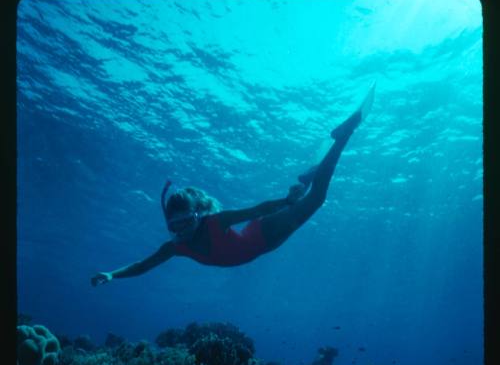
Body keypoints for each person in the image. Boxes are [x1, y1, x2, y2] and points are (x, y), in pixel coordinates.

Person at [91, 86, 374, 284]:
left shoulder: (215, 222)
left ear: (197, 215)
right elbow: (143, 266)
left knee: (315, 200)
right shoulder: (175, 247)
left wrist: (284, 203)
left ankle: (343, 135)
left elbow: (255, 209)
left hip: (263, 233)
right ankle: (309, 175)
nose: (181, 231)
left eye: (186, 223)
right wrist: (112, 275)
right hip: (258, 237)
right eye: (174, 226)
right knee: (303, 200)